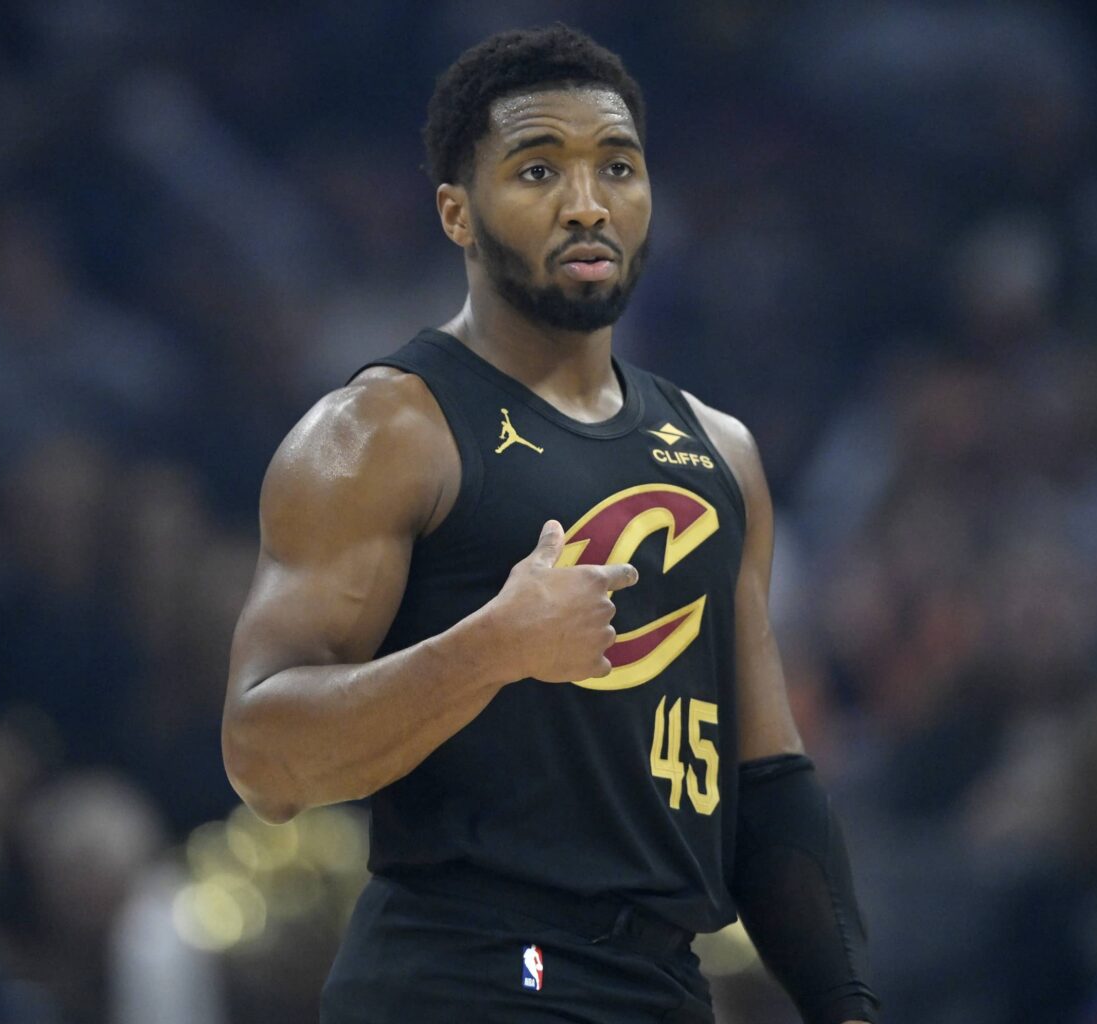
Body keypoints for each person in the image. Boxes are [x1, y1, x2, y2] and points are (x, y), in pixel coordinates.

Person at [221, 25, 878, 1024]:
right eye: (538, 170)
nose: (587, 203)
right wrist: (492, 647)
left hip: (661, 985)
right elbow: (263, 756)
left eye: (617, 166)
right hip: (469, 974)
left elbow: (770, 786)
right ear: (457, 212)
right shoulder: (382, 432)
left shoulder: (720, 450)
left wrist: (846, 1004)